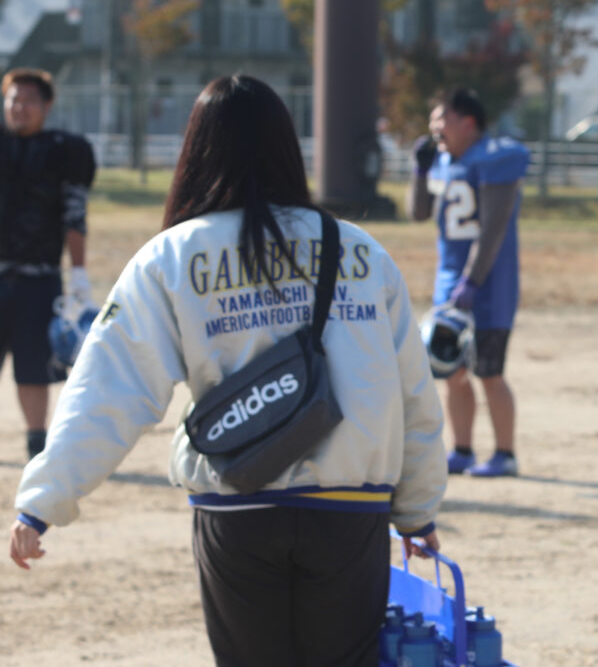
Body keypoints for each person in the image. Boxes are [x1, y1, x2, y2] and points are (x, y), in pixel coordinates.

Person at [9, 75, 447, 667]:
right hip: (351, 506)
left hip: (238, 506)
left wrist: (42, 502)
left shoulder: (171, 256)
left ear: (195, 151)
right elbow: (411, 391)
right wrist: (417, 510)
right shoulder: (362, 252)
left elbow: (108, 387)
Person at [407, 88, 530, 478]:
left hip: (489, 286)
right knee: (451, 371)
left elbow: (492, 228)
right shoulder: (445, 161)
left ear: (468, 122)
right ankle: (461, 449)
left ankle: (505, 454)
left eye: (441, 119)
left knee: (489, 371)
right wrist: (420, 170)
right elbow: (417, 213)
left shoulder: (496, 158)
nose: (434, 128)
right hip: (450, 286)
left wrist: (473, 281)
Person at [0, 67, 96, 460]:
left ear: (47, 105)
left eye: (28, 101)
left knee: (33, 366)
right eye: (13, 100)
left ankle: (36, 442)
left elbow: (75, 213)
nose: (20, 108)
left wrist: (78, 271)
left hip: (38, 278)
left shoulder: (64, 151)